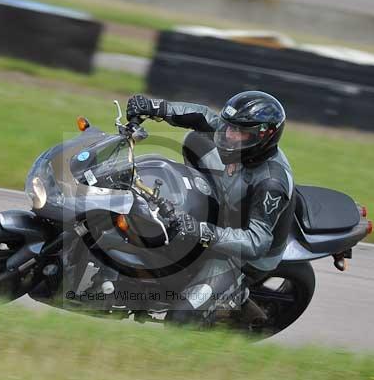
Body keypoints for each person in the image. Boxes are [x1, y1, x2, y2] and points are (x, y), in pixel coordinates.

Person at [125, 91, 295, 329]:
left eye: (240, 132)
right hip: (226, 212)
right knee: (196, 139)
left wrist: (202, 232)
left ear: (264, 135)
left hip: (241, 256)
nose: (229, 136)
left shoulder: (270, 183)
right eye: (229, 127)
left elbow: (257, 243)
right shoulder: (237, 140)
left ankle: (236, 297)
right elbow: (203, 117)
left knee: (179, 320)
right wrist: (158, 107)